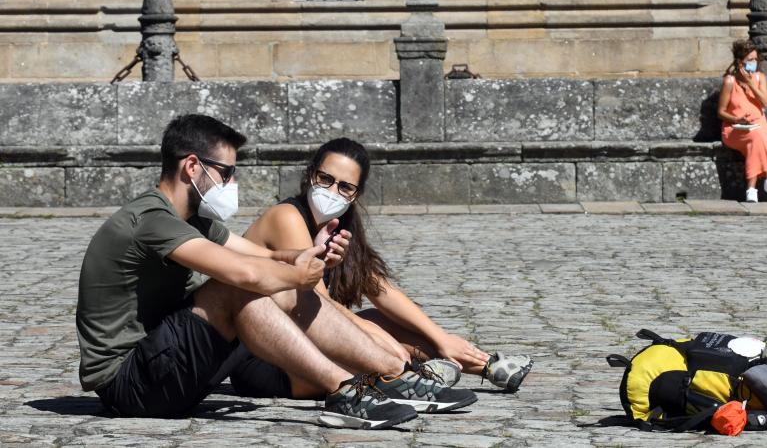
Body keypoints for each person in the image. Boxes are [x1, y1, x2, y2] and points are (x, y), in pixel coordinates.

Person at [76, 114, 474, 429]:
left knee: (270, 284)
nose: (230, 183)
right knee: (238, 288)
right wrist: (296, 275)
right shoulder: (151, 218)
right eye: (226, 173)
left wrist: (311, 255)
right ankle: (345, 389)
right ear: (193, 166)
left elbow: (267, 258)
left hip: (166, 370)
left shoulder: (195, 222)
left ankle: (394, 375)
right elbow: (246, 275)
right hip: (129, 385)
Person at [236, 137, 533, 395]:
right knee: (367, 343)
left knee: (381, 318)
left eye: (344, 187)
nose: (332, 191)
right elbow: (322, 309)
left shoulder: (339, 226)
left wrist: (440, 337)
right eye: (325, 179)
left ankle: (485, 366)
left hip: (306, 337)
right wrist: (384, 347)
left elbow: (377, 286)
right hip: (269, 356)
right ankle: (411, 374)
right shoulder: (287, 217)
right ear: (310, 175)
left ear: (356, 195)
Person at [716, 39, 767, 202]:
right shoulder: (730, 81)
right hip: (735, 129)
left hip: (758, 128)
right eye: (749, 60)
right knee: (763, 139)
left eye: (755, 59)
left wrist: (750, 85)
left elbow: (764, 102)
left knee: (760, 139)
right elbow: (721, 112)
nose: (753, 63)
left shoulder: (760, 78)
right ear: (740, 62)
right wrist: (736, 118)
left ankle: (752, 190)